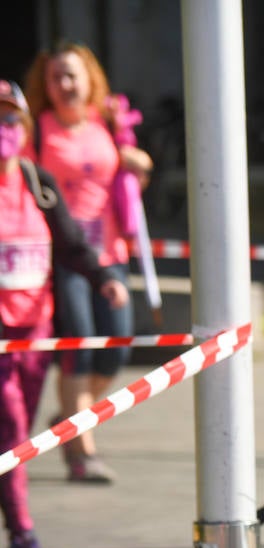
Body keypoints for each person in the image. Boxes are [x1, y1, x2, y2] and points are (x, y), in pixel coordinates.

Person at [0, 79, 128, 548]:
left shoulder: (38, 182)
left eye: (12, 119)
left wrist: (102, 279)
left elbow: (72, 242)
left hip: (35, 334)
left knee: (19, 433)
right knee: (11, 428)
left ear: (25, 126)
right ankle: (22, 536)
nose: (4, 129)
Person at [24, 42, 152, 484]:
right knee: (77, 352)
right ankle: (82, 454)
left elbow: (129, 182)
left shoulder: (108, 123)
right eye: (55, 77)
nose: (64, 85)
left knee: (116, 350)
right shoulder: (35, 131)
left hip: (110, 254)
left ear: (89, 80)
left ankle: (70, 414)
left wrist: (139, 166)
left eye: (71, 75)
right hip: (64, 258)